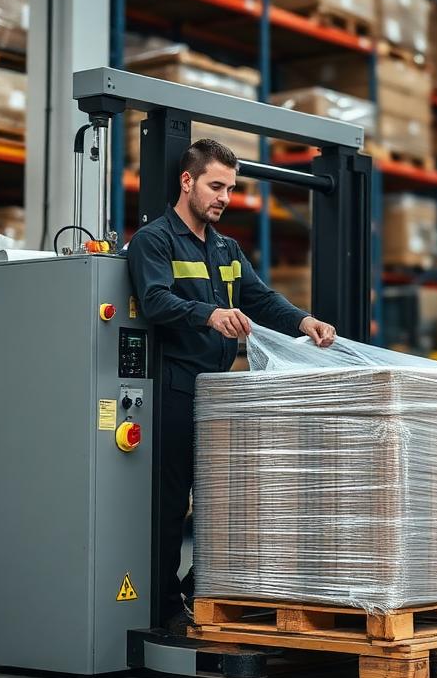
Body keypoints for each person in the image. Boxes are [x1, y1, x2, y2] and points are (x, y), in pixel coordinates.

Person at [127, 138, 336, 632]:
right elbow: (155, 301)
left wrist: (304, 321)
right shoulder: (154, 241)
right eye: (215, 186)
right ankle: (160, 610)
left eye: (230, 188)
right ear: (188, 182)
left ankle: (198, 593)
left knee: (227, 498)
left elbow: (261, 299)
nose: (224, 197)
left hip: (217, 393)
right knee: (171, 504)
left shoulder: (226, 247)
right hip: (173, 388)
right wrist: (209, 313)